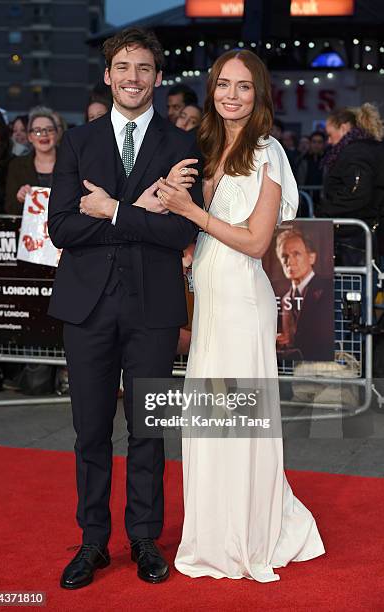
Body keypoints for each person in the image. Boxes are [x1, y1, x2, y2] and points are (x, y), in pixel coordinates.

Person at [155, 49, 325, 582]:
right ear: (212, 90)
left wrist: (192, 213)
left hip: (242, 302)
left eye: (243, 86)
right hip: (209, 299)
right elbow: (192, 228)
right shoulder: (204, 146)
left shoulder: (268, 151)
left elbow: (255, 242)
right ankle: (212, 529)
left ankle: (249, 531)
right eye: (223, 84)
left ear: (260, 94)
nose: (232, 94)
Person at [47, 27, 203, 589]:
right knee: (89, 431)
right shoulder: (77, 142)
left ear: (158, 78)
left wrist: (113, 211)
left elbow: (182, 228)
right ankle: (92, 541)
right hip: (86, 308)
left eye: (143, 68)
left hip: (154, 309)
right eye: (123, 67)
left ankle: (144, 537)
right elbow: (61, 227)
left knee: (149, 430)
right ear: (108, 75)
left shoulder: (182, 145)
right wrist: (138, 214)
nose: (133, 77)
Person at [316, 104, 384, 265]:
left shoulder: (356, 152)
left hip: (356, 235)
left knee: (354, 285)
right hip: (365, 232)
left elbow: (356, 192)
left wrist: (324, 211)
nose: (329, 141)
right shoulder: (368, 147)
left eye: (330, 135)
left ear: (344, 127)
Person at [275, 228, 334, 361]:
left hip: (323, 368)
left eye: (296, 254)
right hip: (294, 370)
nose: (289, 261)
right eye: (284, 256)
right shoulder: (285, 299)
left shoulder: (329, 288)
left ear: (311, 257)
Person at [5, 106, 58, 214]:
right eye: (37, 131)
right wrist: (20, 198)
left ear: (57, 134)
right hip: (29, 229)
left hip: (64, 228)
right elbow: (9, 207)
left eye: (49, 130)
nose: (44, 134)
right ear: (30, 137)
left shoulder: (73, 163)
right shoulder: (16, 165)